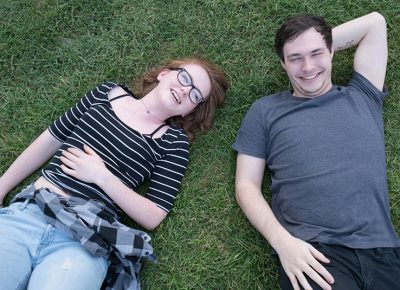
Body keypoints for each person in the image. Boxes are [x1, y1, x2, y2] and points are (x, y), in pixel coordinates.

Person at [0, 56, 228, 290]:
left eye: (195, 94)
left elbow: (154, 214)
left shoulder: (173, 142)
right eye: (184, 78)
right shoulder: (107, 92)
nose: (185, 89)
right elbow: (52, 138)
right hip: (30, 213)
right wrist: (2, 185)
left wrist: (101, 176)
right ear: (164, 73)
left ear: (192, 109)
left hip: (84, 241)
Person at [233, 12, 400, 290]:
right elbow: (246, 185)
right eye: (295, 58)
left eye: (316, 54)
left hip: (384, 249)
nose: (308, 67)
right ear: (283, 64)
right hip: (313, 254)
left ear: (332, 51)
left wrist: (318, 38)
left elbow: (375, 23)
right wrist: (282, 242)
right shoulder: (265, 111)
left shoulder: (363, 94)